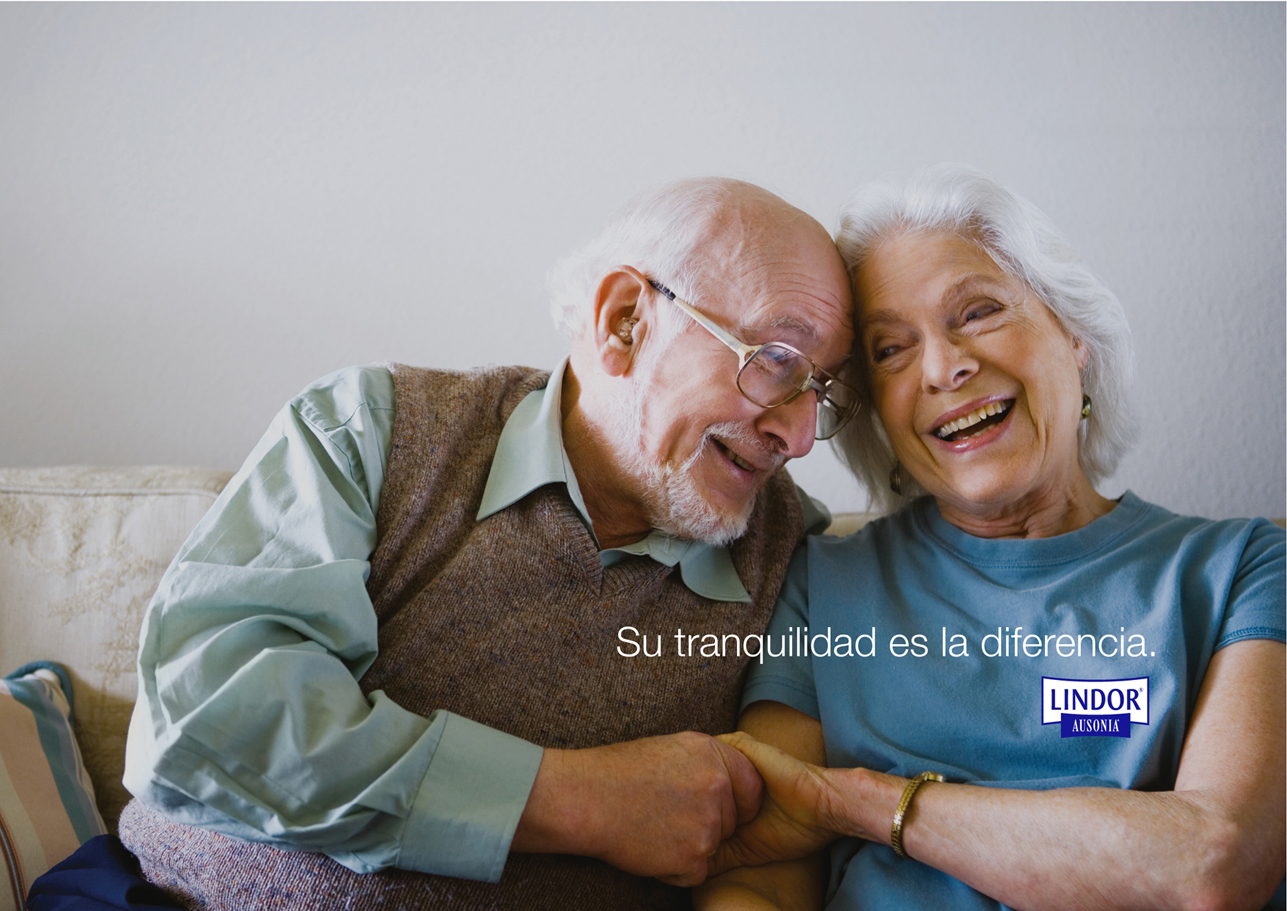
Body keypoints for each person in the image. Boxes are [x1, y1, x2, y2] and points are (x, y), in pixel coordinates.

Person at [115, 178, 858, 910]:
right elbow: (206, 724)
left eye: (821, 390)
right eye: (776, 361)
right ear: (626, 320)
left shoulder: (794, 552)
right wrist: (583, 801)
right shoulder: (373, 431)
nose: (798, 437)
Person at [694, 166, 1286, 911]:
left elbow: (1214, 863)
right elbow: (762, 874)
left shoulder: (1242, 568)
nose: (945, 368)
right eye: (890, 349)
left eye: (976, 312)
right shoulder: (821, 583)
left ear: (1072, 332)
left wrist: (856, 801)